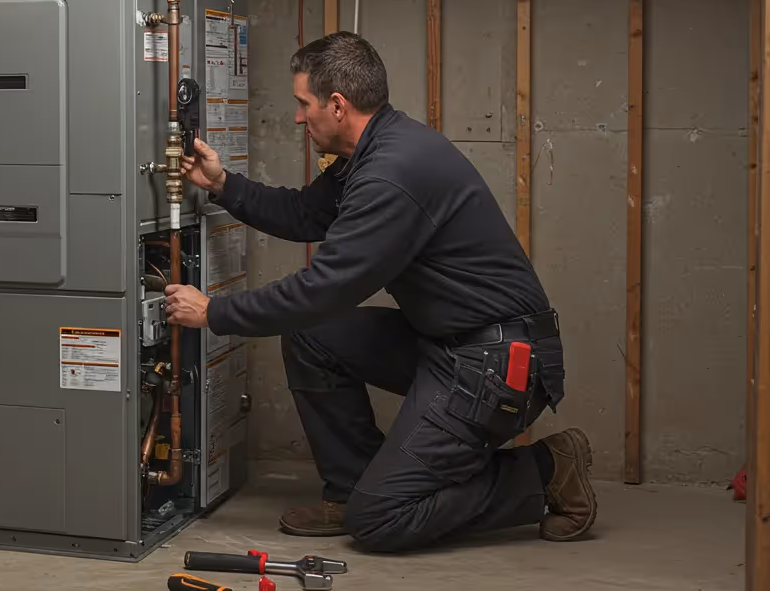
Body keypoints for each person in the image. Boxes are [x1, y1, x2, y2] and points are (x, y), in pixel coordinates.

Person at [162, 31, 596, 553]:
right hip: (450, 345)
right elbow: (305, 214)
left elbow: (323, 290)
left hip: (496, 363)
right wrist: (222, 185)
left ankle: (546, 471)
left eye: (304, 104)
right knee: (312, 337)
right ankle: (352, 491)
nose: (299, 118)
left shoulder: (391, 174)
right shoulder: (372, 153)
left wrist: (214, 311)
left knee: (382, 520)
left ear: (337, 106)